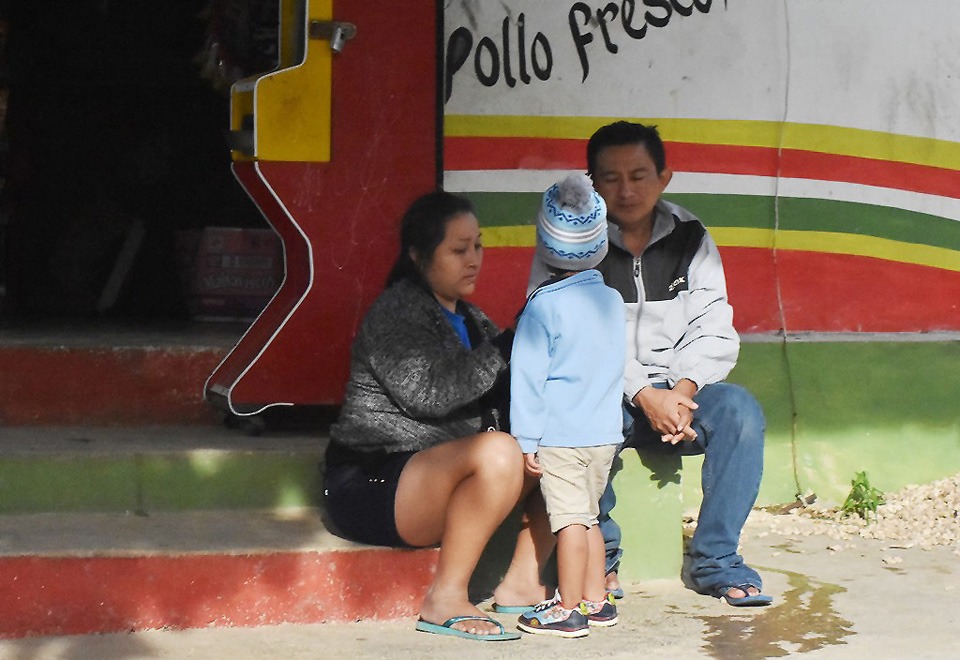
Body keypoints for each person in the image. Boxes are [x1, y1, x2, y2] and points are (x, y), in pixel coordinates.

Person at [497, 120, 771, 609]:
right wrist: (645, 394)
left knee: (741, 413)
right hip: (607, 395)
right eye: (610, 178)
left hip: (682, 393)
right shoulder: (571, 243)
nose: (626, 191)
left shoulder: (691, 236)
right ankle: (605, 562)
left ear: (664, 177)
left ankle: (717, 561)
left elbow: (714, 326)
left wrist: (681, 392)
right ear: (592, 181)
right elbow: (567, 338)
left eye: (639, 175)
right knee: (574, 424)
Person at [322, 191, 525, 641]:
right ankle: (445, 597)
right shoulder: (397, 310)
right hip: (371, 480)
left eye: (477, 246)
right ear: (417, 255)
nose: (473, 259)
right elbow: (431, 394)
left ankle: (523, 582)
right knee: (499, 452)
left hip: (428, 483)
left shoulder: (473, 319)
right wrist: (507, 346)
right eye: (458, 250)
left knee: (549, 448)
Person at [509, 173, 626, 637]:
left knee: (569, 523)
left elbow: (528, 379)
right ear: (600, 243)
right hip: (603, 435)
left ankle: (568, 607)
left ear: (542, 244)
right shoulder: (612, 300)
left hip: (561, 437)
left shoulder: (541, 307)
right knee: (591, 518)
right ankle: (598, 601)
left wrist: (525, 440)